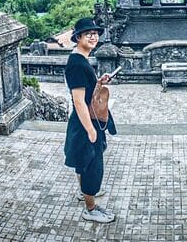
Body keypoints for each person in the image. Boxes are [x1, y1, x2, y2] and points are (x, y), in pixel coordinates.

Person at [63, 18, 117, 223]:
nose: (94, 37)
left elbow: (85, 92)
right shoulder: (77, 64)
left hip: (84, 119)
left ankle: (84, 192)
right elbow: (78, 101)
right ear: (78, 38)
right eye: (88, 34)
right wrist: (91, 130)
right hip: (85, 121)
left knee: (82, 161)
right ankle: (90, 208)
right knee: (91, 165)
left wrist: (99, 81)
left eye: (95, 33)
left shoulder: (81, 59)